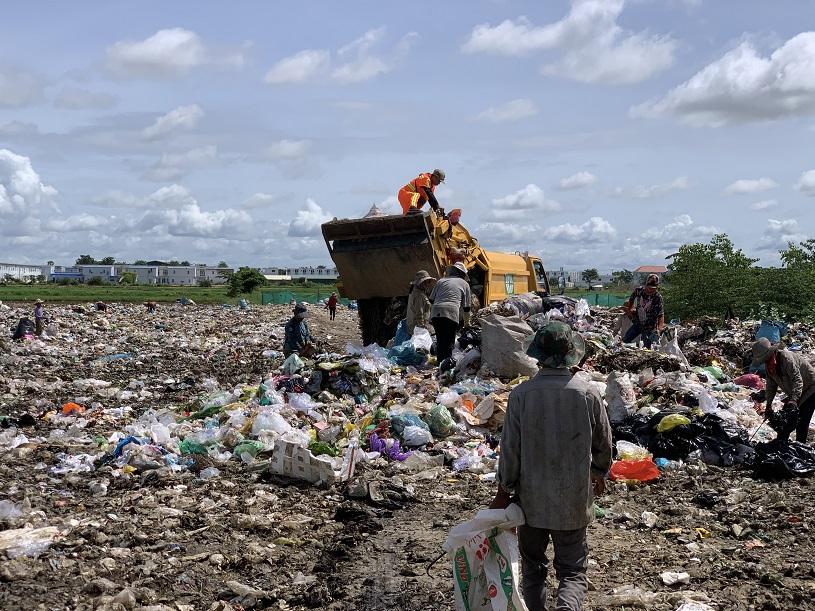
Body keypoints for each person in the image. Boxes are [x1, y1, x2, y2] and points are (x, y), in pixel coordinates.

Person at [491, 321, 612, 611]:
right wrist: (598, 471)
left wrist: (504, 491)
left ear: (538, 355)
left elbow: (510, 451)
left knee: (533, 567)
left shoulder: (521, 395)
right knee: (572, 569)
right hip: (573, 498)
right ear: (571, 355)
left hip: (530, 500)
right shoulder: (587, 393)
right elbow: (604, 444)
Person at [751, 337, 815, 443]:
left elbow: (797, 381)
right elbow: (771, 387)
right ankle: (781, 444)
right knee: (785, 422)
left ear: (772, 353)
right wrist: (768, 406)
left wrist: (793, 400)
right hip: (796, 391)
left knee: (802, 421)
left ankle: (801, 448)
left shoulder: (786, 359)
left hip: (810, 388)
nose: (766, 361)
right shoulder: (769, 366)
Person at [429, 262, 471, 364]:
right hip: (451, 313)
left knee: (440, 340)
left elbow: (431, 299)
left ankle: (440, 364)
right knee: (449, 341)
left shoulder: (441, 281)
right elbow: (466, 307)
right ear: (462, 274)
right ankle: (446, 367)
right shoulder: (464, 284)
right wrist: (466, 324)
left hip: (435, 313)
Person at [622, 273, 664, 348]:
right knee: (625, 340)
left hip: (650, 326)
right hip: (638, 322)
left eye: (653, 288)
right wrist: (630, 308)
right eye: (649, 287)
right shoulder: (639, 291)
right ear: (646, 285)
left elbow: (660, 314)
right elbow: (631, 298)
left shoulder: (658, 297)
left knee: (648, 347)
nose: (651, 290)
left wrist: (660, 328)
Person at [406, 270, 436, 334]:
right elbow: (419, 313)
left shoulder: (416, 292)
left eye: (428, 281)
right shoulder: (419, 295)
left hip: (416, 326)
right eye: (426, 282)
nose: (428, 284)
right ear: (422, 283)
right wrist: (423, 328)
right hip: (417, 327)